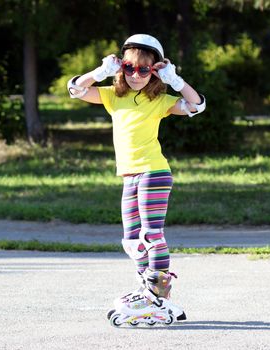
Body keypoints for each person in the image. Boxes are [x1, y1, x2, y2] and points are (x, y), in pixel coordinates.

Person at [67, 34, 206, 327]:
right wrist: (99, 73)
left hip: (154, 172)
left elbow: (197, 105)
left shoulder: (160, 100)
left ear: (155, 70)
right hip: (129, 176)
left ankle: (156, 293)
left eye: (145, 69)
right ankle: (150, 291)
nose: (136, 75)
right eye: (129, 68)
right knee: (131, 242)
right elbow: (76, 90)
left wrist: (176, 81)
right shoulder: (112, 95)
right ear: (122, 68)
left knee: (151, 234)